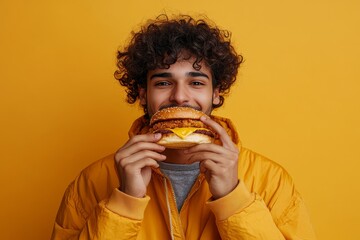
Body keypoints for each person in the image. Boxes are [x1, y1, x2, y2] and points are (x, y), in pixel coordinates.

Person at [51, 14, 316, 239]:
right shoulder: (92, 182)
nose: (180, 96)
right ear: (143, 94)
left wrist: (234, 199)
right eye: (164, 83)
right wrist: (125, 201)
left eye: (197, 83)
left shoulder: (272, 181)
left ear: (216, 93)